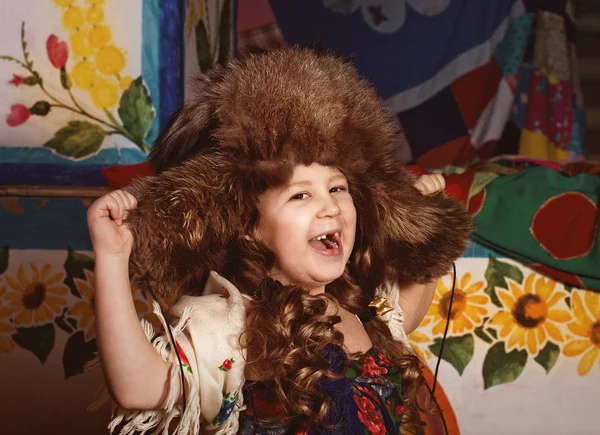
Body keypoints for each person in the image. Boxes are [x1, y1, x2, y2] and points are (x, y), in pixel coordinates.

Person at [87, 47, 472, 434]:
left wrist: (427, 219)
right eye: (300, 195)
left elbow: (409, 309)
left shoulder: (360, 310)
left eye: (337, 188)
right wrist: (112, 258)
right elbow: (139, 388)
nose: (330, 209)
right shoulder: (234, 325)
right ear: (248, 225)